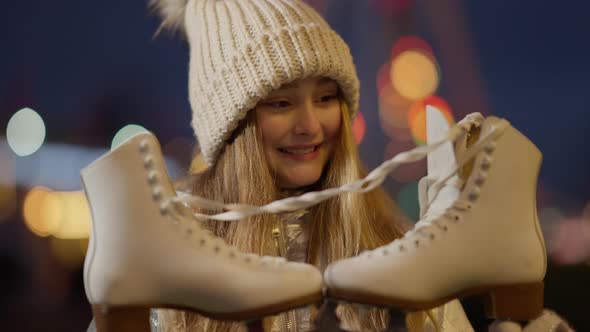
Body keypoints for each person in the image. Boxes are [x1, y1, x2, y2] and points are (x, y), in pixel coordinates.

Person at [140, 0, 572, 331]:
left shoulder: (397, 252)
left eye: (326, 98)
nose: (311, 125)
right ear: (231, 128)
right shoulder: (170, 269)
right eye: (281, 103)